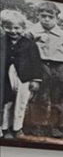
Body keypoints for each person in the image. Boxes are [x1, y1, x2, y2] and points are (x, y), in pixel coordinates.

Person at [2, 8, 48, 136]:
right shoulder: (2, 42)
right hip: (5, 77)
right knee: (7, 103)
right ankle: (5, 127)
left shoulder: (30, 44)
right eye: (8, 28)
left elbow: (36, 63)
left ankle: (17, 127)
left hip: (24, 77)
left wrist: (36, 80)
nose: (13, 31)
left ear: (23, 28)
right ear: (2, 27)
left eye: (17, 28)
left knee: (21, 103)